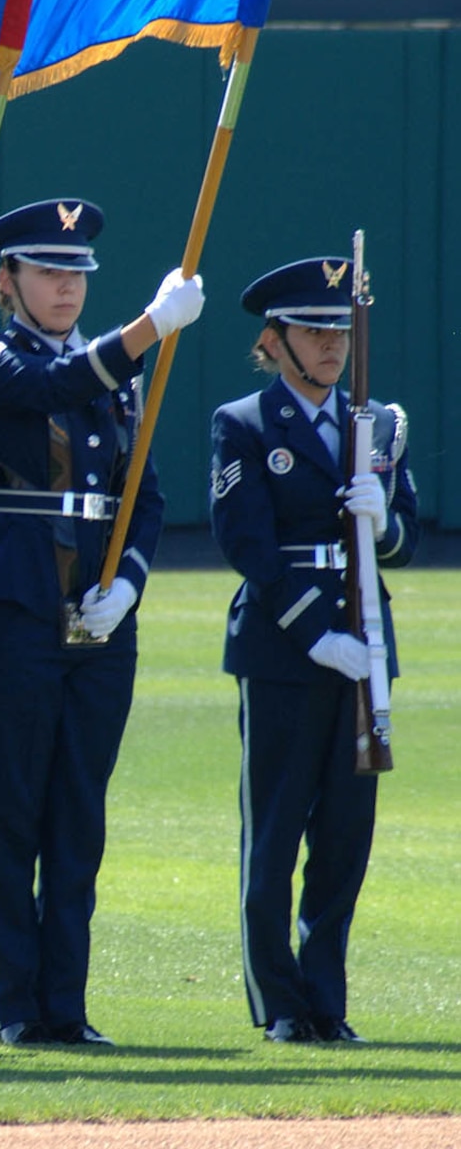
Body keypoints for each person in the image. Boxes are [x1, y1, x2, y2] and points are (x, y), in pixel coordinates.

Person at [0, 198, 203, 1048]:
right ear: (7, 282)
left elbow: (147, 495)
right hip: (15, 600)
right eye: (48, 272)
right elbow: (48, 385)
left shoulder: (117, 372)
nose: (66, 286)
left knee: (76, 816)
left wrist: (128, 581)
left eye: (77, 274)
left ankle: (67, 1003)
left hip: (99, 614)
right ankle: (17, 1006)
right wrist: (144, 328)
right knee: (11, 810)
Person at [210, 257, 417, 1044]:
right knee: (274, 828)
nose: (329, 345)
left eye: (337, 329)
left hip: (364, 644)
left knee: (342, 834)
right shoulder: (246, 423)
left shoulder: (380, 424)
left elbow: (405, 541)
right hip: (283, 647)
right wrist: (313, 634)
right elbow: (246, 545)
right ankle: (280, 1003)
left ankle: (325, 997)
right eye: (310, 330)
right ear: (274, 340)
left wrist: (382, 521)